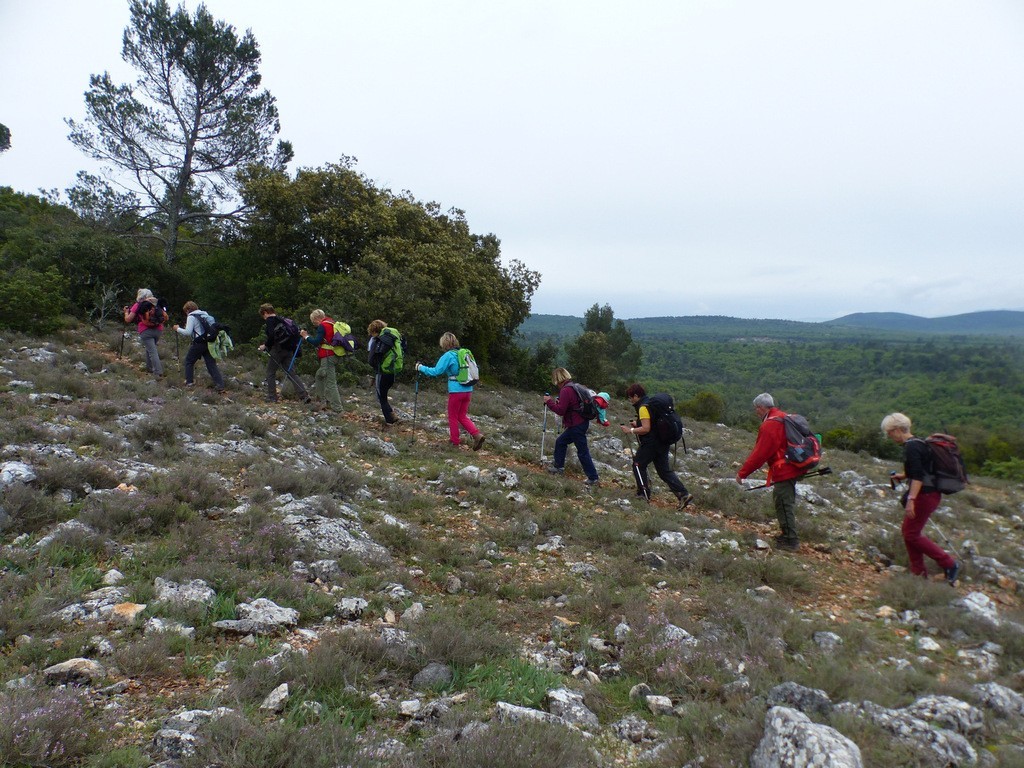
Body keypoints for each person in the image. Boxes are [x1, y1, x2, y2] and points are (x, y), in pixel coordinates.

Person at [882, 412, 961, 585]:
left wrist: (911, 499)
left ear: (897, 430)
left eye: (889, 432)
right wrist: (903, 476)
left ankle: (949, 563)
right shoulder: (918, 443)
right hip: (929, 493)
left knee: (911, 533)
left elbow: (918, 476)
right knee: (910, 533)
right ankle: (918, 573)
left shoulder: (911, 447)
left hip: (924, 495)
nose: (889, 436)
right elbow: (919, 471)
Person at [735, 393, 802, 551]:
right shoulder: (783, 417)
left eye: (756, 409)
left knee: (783, 502)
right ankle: (787, 535)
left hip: (785, 469)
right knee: (782, 500)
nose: (756, 412)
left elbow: (760, 454)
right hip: (793, 465)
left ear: (761, 408)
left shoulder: (770, 425)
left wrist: (742, 474)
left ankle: (791, 540)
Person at [621, 383, 692, 507]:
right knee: (664, 471)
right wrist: (637, 424)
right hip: (662, 442)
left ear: (636, 396)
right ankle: (683, 494)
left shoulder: (643, 407)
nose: (630, 400)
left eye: (631, 397)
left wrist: (630, 430)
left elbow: (646, 428)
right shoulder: (650, 403)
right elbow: (652, 423)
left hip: (651, 443)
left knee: (638, 465)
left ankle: (643, 494)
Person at [415, 332, 485, 450]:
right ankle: (477, 435)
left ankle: (454, 442)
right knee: (462, 415)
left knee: (453, 416)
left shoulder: (448, 356)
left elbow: (436, 372)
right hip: (468, 389)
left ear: (444, 343)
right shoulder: (463, 353)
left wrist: (420, 367)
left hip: (456, 391)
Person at [542, 368, 598, 485]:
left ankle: (593, 477)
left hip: (575, 425)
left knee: (582, 451)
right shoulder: (573, 387)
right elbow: (570, 405)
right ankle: (559, 467)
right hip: (581, 422)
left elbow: (561, 411)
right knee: (561, 442)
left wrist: (549, 402)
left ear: (557, 379)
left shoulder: (565, 390)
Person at [257, 303, 310, 404]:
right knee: (291, 373)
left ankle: (272, 397)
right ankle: (303, 396)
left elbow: (271, 336)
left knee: (270, 372)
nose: (264, 318)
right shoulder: (283, 320)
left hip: (277, 350)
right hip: (289, 350)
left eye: (263, 315)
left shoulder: (270, 321)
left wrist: (265, 346)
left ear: (265, 313)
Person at [173, 301, 225, 392]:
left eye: (185, 311)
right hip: (208, 342)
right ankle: (220, 384)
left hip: (198, 342)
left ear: (188, 310)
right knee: (211, 364)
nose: (186, 313)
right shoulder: (205, 314)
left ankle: (189, 382)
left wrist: (177, 329)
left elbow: (187, 332)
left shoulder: (191, 316)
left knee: (189, 361)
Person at [299, 309, 344, 412]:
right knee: (319, 375)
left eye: (314, 321)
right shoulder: (332, 323)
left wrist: (306, 336)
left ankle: (338, 409)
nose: (314, 324)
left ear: (316, 318)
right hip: (335, 355)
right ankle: (322, 401)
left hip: (328, 356)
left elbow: (315, 342)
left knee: (331, 382)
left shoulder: (322, 326)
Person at [123, 288, 164, 379]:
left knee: (152, 351)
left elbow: (128, 319)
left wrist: (126, 312)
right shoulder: (156, 302)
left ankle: (158, 372)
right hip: (158, 329)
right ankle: (149, 368)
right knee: (150, 348)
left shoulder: (138, 305)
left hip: (145, 330)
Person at [367, 319, 401, 425]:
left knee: (381, 397)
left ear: (373, 331)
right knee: (384, 395)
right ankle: (391, 415)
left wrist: (375, 366)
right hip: (392, 371)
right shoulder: (392, 338)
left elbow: (371, 360)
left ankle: (390, 420)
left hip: (382, 372)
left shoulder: (378, 341)